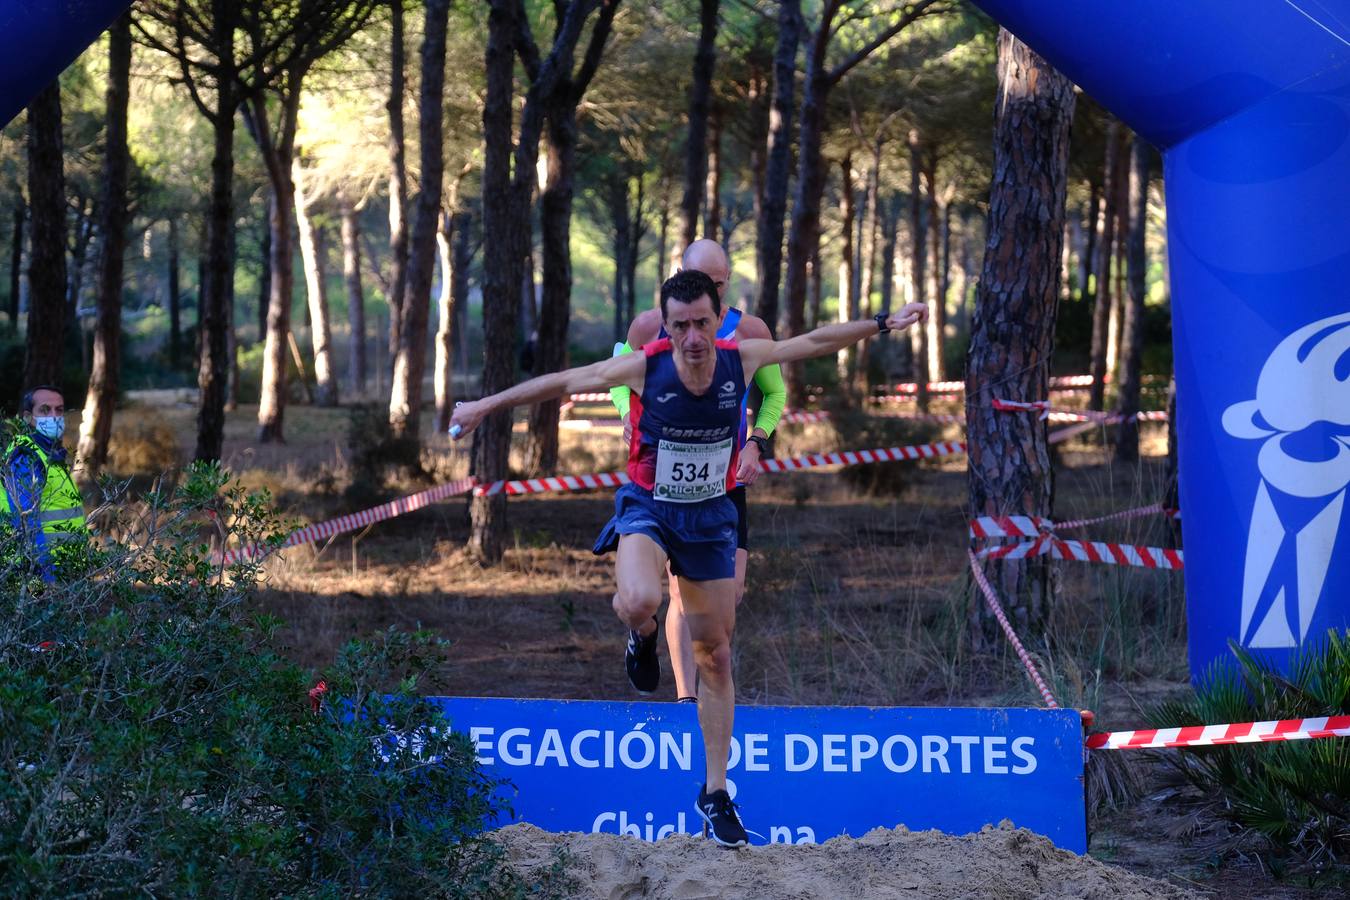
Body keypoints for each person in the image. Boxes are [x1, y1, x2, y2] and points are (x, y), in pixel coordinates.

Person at [451, 271, 926, 847]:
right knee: (640, 599)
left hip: (709, 520)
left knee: (716, 656)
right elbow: (561, 381)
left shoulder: (740, 358)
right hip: (650, 507)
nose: (694, 337)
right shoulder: (643, 366)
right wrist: (483, 406)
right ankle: (642, 634)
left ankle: (716, 791)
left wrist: (882, 322)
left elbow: (814, 342)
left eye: (703, 322)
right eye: (681, 326)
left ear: (716, 316)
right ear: (666, 326)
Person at [610, 239, 786, 703]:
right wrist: (627, 414)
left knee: (731, 593)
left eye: (720, 284)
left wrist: (755, 442)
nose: (711, 291)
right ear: (679, 275)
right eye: (702, 281)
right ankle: (688, 697)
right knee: (677, 590)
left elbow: (775, 395)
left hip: (726, 478)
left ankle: (708, 682)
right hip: (666, 480)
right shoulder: (652, 325)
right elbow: (616, 372)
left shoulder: (749, 331)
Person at [0, 385, 87, 582]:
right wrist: (48, 578)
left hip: (65, 569)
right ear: (28, 417)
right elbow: (26, 522)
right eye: (45, 410)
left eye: (59, 410)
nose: (54, 416)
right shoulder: (27, 457)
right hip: (39, 573)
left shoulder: (51, 456)